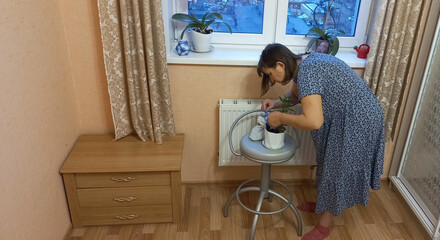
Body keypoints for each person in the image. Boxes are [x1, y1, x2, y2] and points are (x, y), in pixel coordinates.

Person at [258, 43, 384, 240]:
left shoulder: (308, 71)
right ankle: (324, 203)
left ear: (280, 65)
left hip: (360, 118)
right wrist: (275, 103)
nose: (271, 80)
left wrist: (280, 118)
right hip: (347, 115)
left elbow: (313, 121)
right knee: (328, 163)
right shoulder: (302, 63)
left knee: (337, 169)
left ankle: (324, 227)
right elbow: (294, 96)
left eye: (270, 74)